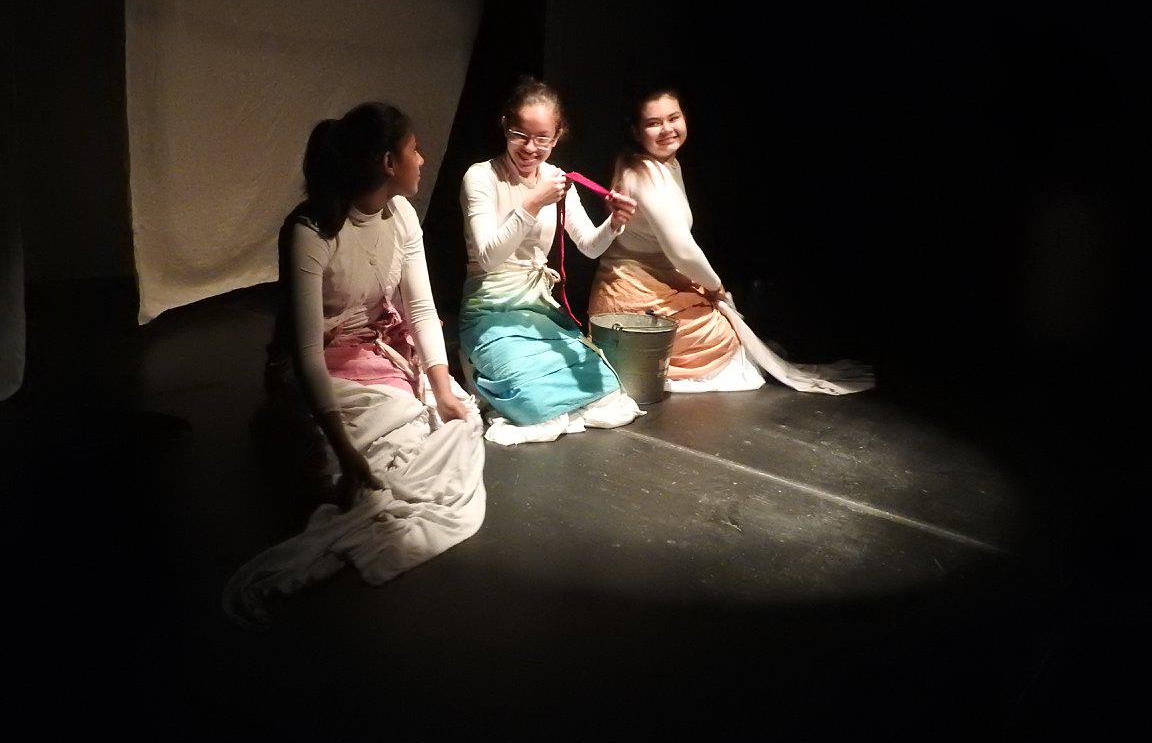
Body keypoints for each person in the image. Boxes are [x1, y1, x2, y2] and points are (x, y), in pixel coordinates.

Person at [224, 102, 485, 630]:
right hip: (325, 367)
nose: (422, 159)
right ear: (388, 161)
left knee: (457, 419)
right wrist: (347, 454)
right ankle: (327, 449)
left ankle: (362, 447)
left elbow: (420, 308)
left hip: (378, 355)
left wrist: (441, 388)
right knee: (370, 458)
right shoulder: (311, 231)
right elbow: (306, 354)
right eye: (414, 149)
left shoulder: (402, 214)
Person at [588, 88, 874, 395]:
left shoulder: (665, 164)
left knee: (734, 330)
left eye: (673, 118)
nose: (667, 129)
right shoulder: (642, 175)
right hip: (634, 295)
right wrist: (714, 285)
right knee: (728, 342)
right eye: (654, 123)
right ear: (636, 130)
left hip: (659, 282)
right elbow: (681, 251)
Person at [457, 78, 644, 444]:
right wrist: (532, 203)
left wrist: (614, 223)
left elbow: (589, 246)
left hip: (536, 311)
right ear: (505, 127)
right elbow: (489, 257)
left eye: (542, 138)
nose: (531, 148)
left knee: (606, 388)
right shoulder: (481, 177)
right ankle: (479, 363)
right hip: (490, 310)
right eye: (521, 135)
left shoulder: (556, 180)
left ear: (557, 137)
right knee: (533, 403)